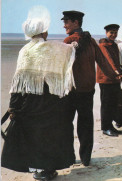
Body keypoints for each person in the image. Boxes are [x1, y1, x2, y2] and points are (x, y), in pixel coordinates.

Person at [1, 6, 75, 180]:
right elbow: (69, 51)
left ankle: (42, 168)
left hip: (32, 100)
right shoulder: (54, 49)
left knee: (35, 136)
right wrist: (75, 44)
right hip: (52, 99)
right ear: (42, 33)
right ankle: (49, 168)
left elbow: (18, 82)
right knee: (51, 134)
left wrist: (13, 106)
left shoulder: (25, 51)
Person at [62, 11, 119, 166]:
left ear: (75, 22)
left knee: (66, 124)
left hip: (71, 91)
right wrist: (115, 76)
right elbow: (102, 61)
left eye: (67, 22)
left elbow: (60, 67)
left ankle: (68, 157)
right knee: (86, 125)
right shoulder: (91, 41)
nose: (64, 25)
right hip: (88, 90)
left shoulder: (68, 40)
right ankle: (86, 158)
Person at [96, 24, 122, 137]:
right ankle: (105, 128)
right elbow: (108, 59)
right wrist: (116, 70)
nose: (113, 35)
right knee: (106, 104)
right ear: (106, 33)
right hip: (106, 78)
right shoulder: (103, 45)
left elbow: (116, 60)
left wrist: (119, 71)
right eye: (111, 32)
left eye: (115, 32)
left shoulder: (114, 45)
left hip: (115, 79)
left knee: (113, 103)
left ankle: (110, 125)